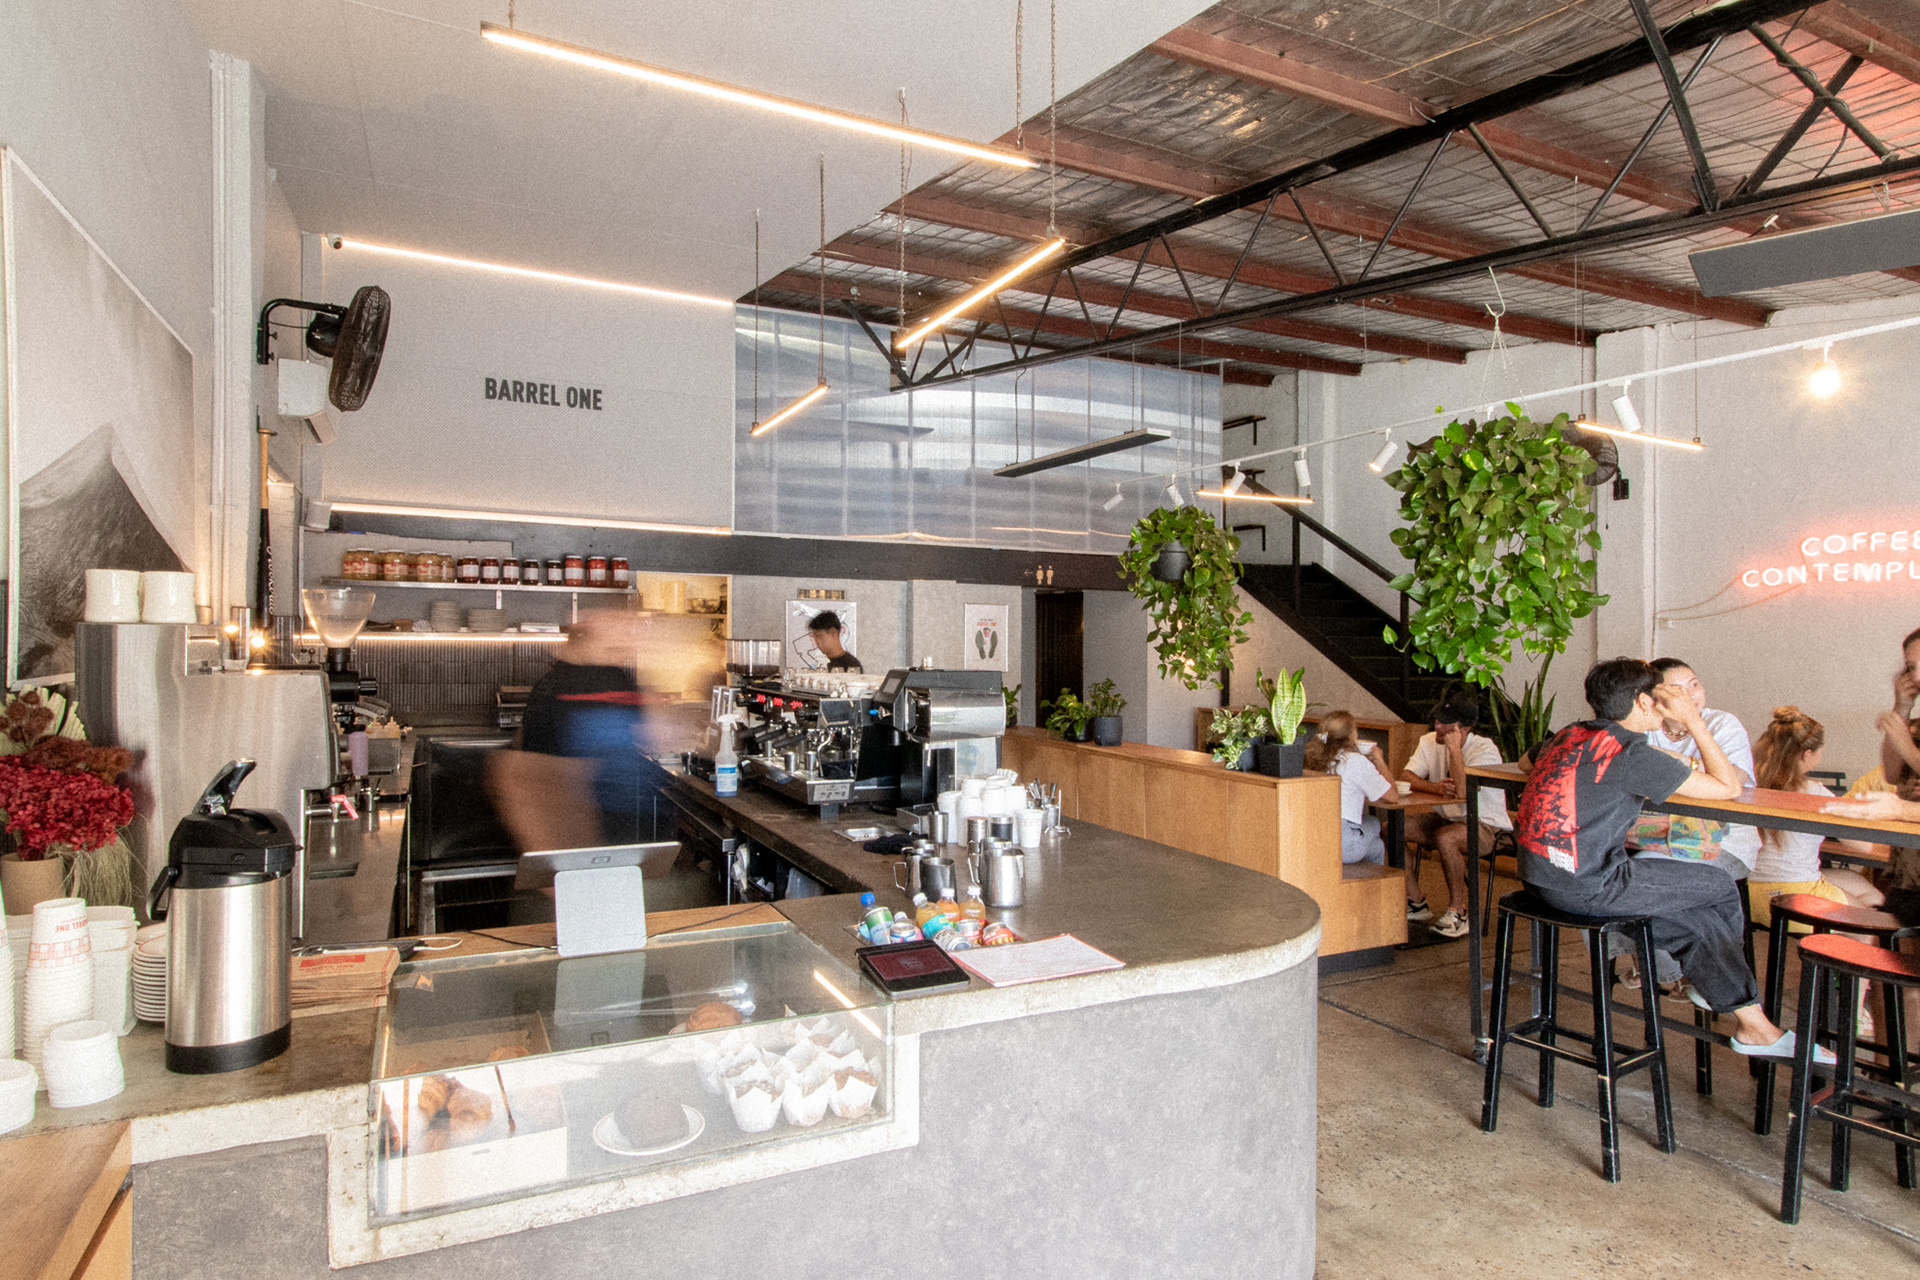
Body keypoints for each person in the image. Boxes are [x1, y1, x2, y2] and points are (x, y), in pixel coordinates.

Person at [1516, 657, 1818, 1061]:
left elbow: (1525, 762)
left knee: (1694, 922)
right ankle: (1713, 989)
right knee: (1719, 885)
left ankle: (1754, 1026)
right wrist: (1692, 719)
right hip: (1590, 885)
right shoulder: (1630, 753)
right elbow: (1729, 786)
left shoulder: (1571, 734)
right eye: (1661, 698)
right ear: (1643, 702)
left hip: (1539, 877)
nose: (1667, 706)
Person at [1746, 706, 1879, 924]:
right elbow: (1863, 846)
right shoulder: (1815, 793)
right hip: (1797, 897)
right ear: (1807, 754)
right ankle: (1840, 937)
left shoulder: (1749, 786)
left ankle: (1826, 938)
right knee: (1871, 915)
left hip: (1748, 895)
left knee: (1856, 882)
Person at [1398, 692, 1511, 940]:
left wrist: (1454, 750)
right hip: (1447, 819)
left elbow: (1463, 793)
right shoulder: (1429, 740)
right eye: (1438, 720)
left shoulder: (1485, 750)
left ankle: (1458, 912)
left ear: (1465, 728)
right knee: (1392, 829)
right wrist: (1435, 788)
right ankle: (1416, 902)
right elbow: (1407, 776)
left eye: (1446, 723)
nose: (1438, 726)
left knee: (1446, 838)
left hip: (1484, 824)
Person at [1644, 658, 1760, 873]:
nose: (1690, 695)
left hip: (1721, 842)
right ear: (1653, 697)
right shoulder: (1647, 725)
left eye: (1694, 684)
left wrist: (1677, 757)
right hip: (1652, 836)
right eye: (1677, 690)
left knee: (1650, 871)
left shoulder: (1723, 724)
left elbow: (1735, 780)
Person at [1305, 711, 1392, 868]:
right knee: (1374, 822)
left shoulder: (1312, 759)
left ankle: (1347, 879)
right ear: (1351, 735)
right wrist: (1379, 760)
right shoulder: (1355, 761)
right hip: (1343, 844)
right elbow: (1392, 796)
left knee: (1377, 846)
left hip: (1313, 838)